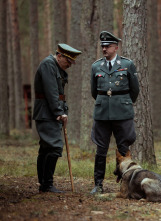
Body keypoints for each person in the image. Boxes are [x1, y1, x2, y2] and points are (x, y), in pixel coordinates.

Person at [90, 31, 140, 194]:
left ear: (116, 47)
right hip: (102, 113)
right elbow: (94, 92)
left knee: (123, 148)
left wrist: (121, 102)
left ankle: (127, 183)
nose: (104, 49)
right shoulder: (96, 66)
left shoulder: (127, 65)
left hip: (122, 112)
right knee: (101, 150)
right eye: (102, 46)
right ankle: (98, 184)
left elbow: (134, 90)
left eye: (108, 46)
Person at [33, 43, 81, 193]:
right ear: (59, 56)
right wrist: (59, 112)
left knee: (46, 148)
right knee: (55, 146)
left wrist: (61, 110)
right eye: (68, 61)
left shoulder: (55, 66)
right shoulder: (48, 65)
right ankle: (47, 184)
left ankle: (44, 184)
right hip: (47, 113)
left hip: (50, 113)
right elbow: (51, 92)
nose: (69, 65)